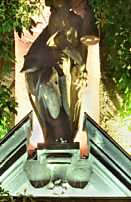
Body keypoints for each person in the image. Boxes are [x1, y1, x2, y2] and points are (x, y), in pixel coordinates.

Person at [22, 0, 99, 145]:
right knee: (49, 87)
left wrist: (81, 66)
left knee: (69, 103)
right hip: (56, 65)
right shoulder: (56, 18)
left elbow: (84, 42)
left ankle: (66, 135)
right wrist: (81, 62)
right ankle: (56, 134)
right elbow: (62, 43)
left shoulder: (76, 19)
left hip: (70, 69)